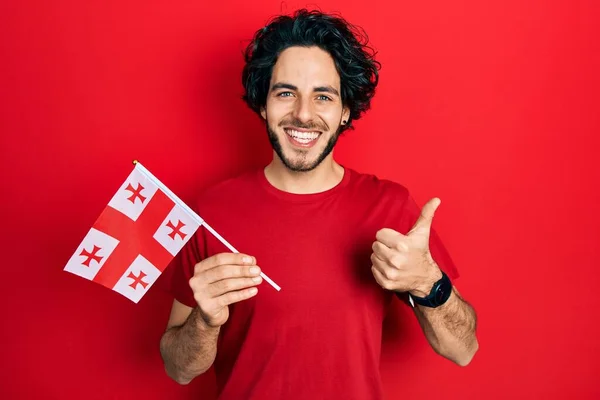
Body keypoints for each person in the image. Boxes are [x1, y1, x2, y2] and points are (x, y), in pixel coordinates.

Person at [159, 8, 478, 399]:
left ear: (345, 111)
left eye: (322, 96)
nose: (303, 114)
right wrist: (205, 322)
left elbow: (463, 350)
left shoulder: (389, 207)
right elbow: (178, 369)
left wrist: (430, 283)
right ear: (263, 104)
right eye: (286, 93)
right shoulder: (210, 212)